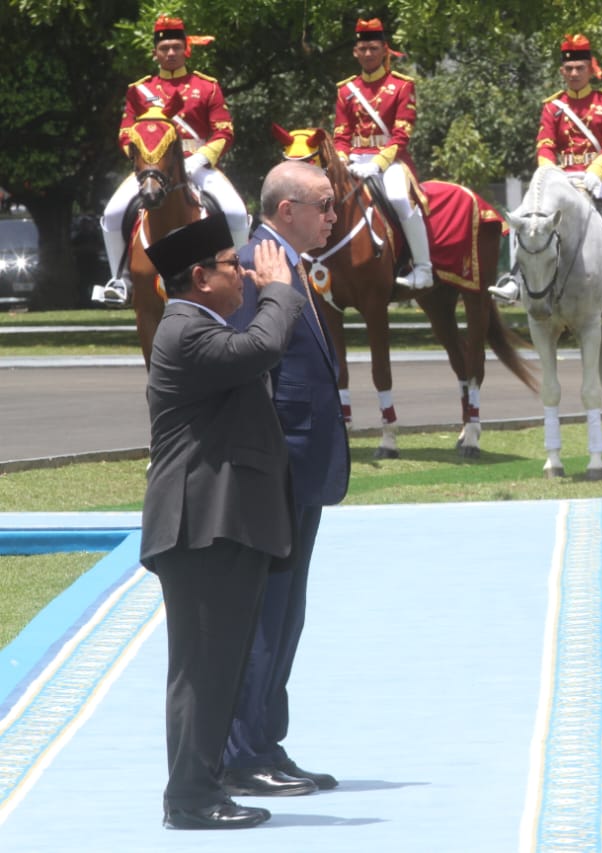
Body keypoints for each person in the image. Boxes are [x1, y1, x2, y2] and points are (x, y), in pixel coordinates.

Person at [139, 213, 306, 829]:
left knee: (218, 664)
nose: (243, 274)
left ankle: (204, 787)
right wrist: (282, 291)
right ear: (200, 278)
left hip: (220, 524)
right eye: (232, 265)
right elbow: (261, 346)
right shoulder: (185, 329)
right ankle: (190, 798)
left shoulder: (197, 324)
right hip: (200, 526)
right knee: (203, 667)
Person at [221, 160, 350, 796]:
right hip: (276, 472)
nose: (334, 216)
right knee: (265, 615)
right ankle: (242, 753)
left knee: (287, 613)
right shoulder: (253, 267)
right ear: (286, 209)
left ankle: (267, 741)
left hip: (301, 471)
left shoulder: (293, 265)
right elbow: (252, 369)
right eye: (324, 205)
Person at [491, 34, 602, 308]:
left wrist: (596, 171)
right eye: (569, 69)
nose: (574, 73)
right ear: (561, 71)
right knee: (520, 217)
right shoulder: (552, 106)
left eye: (580, 68)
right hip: (561, 179)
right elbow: (544, 144)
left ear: (591, 69)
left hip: (597, 179)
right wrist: (551, 175)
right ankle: (514, 280)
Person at [99, 16, 248, 306]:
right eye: (164, 47)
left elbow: (224, 131)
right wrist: (145, 161)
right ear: (155, 52)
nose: (170, 53)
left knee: (236, 211)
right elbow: (126, 132)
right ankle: (119, 279)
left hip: (197, 165)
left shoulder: (207, 87)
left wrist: (202, 158)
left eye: (175, 47)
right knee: (113, 213)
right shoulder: (139, 90)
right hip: (153, 167)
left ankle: (242, 273)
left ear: (186, 50)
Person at [333, 18, 434, 289]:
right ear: (356, 52)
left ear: (384, 50)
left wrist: (377, 163)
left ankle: (423, 268)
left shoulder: (402, 86)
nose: (368, 53)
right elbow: (341, 135)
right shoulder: (346, 90)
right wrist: (341, 160)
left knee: (399, 198)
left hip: (391, 161)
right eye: (363, 48)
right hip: (353, 160)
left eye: (373, 48)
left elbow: (402, 135)